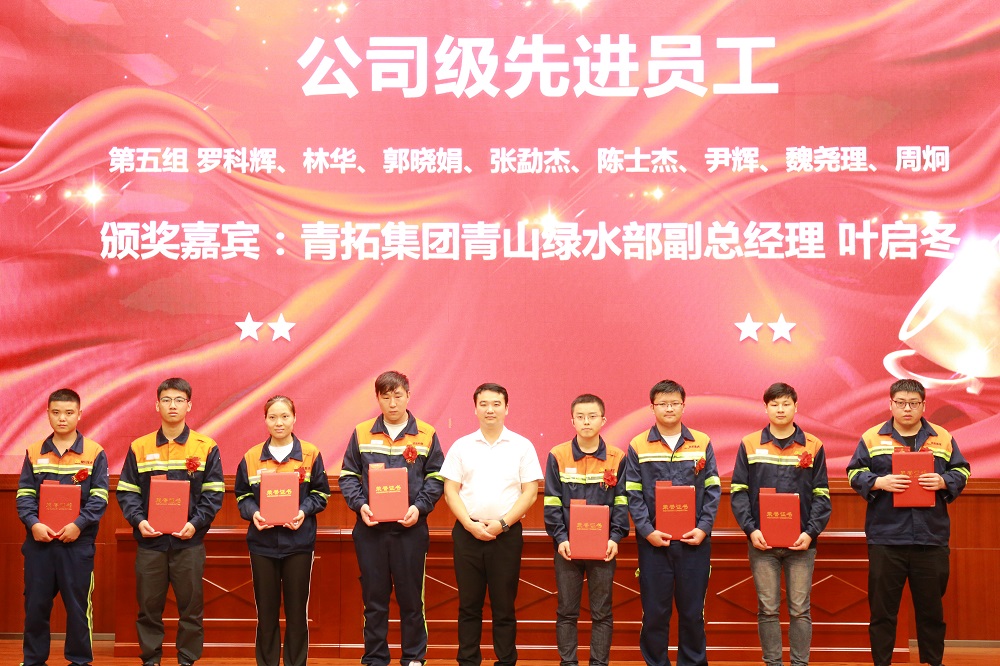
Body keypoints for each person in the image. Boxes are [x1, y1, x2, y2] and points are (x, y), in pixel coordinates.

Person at [846, 379, 970, 666]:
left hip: (931, 538)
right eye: (900, 403)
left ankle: (933, 662)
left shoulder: (942, 437)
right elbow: (853, 473)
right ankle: (882, 663)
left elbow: (962, 470)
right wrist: (879, 482)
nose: (907, 409)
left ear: (924, 405)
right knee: (882, 612)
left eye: (914, 403)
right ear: (890, 404)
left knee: (931, 612)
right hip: (886, 538)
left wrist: (943, 481)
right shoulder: (872, 437)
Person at [338, 371, 445, 666]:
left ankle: (413, 657)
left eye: (398, 396)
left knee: (412, 600)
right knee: (374, 600)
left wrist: (419, 508)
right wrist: (360, 505)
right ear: (378, 398)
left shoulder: (426, 433)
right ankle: (375, 658)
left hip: (411, 529)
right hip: (370, 530)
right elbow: (348, 476)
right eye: (386, 397)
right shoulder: (361, 432)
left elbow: (436, 477)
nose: (393, 403)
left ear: (408, 395)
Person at [116, 378, 225, 666]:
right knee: (148, 608)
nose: (172, 405)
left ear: (189, 405)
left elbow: (213, 493)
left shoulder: (206, 446)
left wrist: (195, 524)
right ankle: (150, 659)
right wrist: (139, 521)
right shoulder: (139, 447)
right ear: (157, 405)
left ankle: (187, 659)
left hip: (189, 543)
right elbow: (127, 491)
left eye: (179, 400)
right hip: (150, 543)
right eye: (166, 400)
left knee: (191, 608)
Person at [440, 382, 544, 666]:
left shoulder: (522, 446)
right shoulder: (461, 446)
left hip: (506, 535)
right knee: (468, 605)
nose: (490, 409)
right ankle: (468, 661)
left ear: (506, 408)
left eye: (496, 404)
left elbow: (530, 492)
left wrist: (503, 524)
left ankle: (506, 661)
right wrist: (469, 524)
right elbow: (450, 491)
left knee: (504, 606)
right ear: (475, 408)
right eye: (483, 404)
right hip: (467, 534)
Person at [730, 382, 831, 666]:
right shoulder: (750, 444)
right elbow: (738, 492)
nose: (780, 409)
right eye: (774, 404)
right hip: (761, 543)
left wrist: (810, 533)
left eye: (786, 404)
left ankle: (800, 663)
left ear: (796, 407)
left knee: (800, 609)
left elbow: (822, 495)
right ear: (766, 408)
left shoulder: (813, 445)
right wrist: (751, 530)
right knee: (768, 609)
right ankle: (772, 663)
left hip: (802, 544)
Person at [625, 379, 720, 666]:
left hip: (694, 543)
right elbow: (633, 493)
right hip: (654, 544)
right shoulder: (638, 444)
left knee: (692, 613)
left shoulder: (702, 442)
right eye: (662, 404)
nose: (669, 408)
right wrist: (648, 531)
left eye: (674, 403)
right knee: (655, 613)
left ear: (683, 406)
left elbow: (713, 490)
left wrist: (703, 528)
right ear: (652, 407)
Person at [16, 388, 110, 666]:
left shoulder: (94, 452)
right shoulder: (34, 452)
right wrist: (33, 524)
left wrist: (79, 525)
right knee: (35, 607)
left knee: (78, 609)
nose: (62, 418)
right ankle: (33, 660)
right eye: (56, 412)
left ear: (79, 414)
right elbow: (24, 495)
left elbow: (100, 497)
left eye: (69, 413)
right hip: (39, 545)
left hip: (77, 545)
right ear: (47, 414)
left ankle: (79, 661)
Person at [234, 395, 330, 666]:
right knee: (266, 613)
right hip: (262, 545)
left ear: (294, 418)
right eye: (273, 417)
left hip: (299, 543)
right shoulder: (252, 457)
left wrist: (303, 511)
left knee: (297, 612)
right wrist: (253, 513)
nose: (279, 422)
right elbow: (242, 495)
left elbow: (321, 494)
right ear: (265, 420)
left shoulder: (310, 454)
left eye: (285, 416)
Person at [543, 394, 628, 666]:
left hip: (604, 549)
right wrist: (560, 538)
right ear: (572, 421)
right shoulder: (558, 455)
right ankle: (568, 663)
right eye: (580, 417)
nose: (586, 422)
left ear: (603, 420)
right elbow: (552, 501)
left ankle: (598, 663)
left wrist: (615, 538)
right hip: (567, 548)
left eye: (592, 416)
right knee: (566, 612)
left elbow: (622, 501)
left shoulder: (617, 457)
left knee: (602, 613)